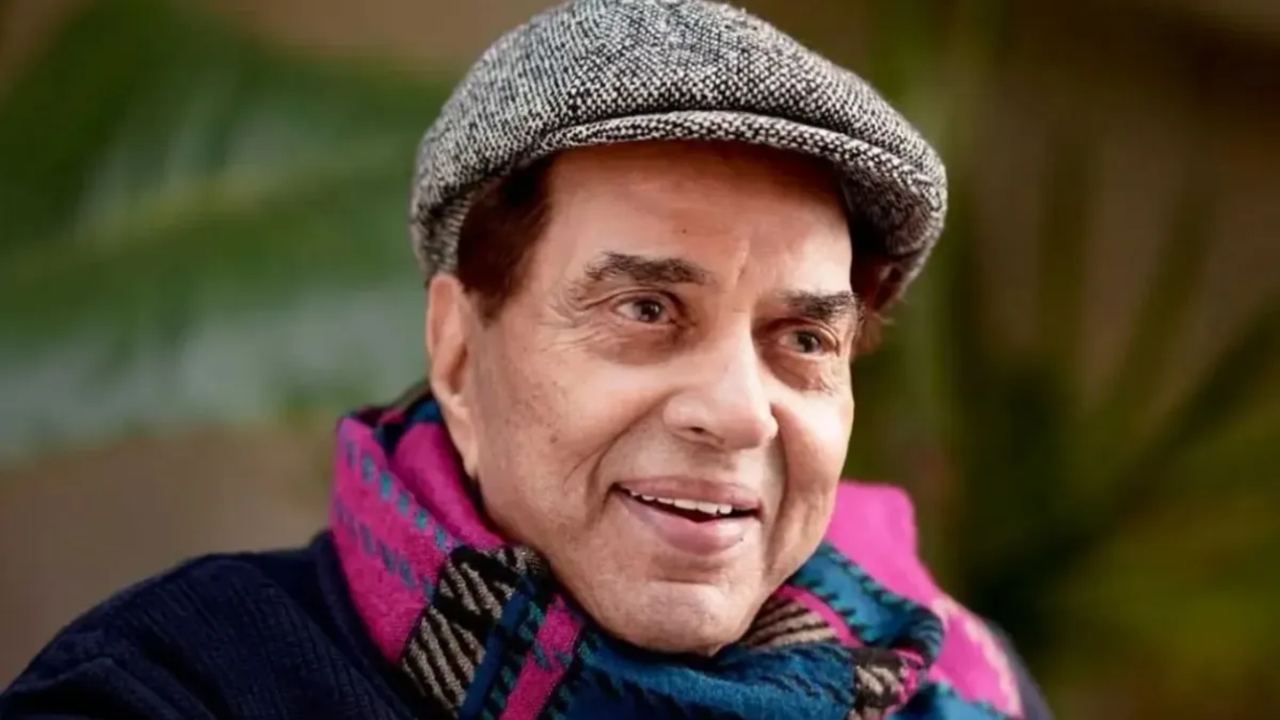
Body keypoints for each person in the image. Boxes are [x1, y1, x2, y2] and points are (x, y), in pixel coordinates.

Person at [0, 0, 1052, 717]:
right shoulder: (179, 687)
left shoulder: (960, 686)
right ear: (458, 355)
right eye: (647, 309)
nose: (739, 412)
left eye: (804, 340)